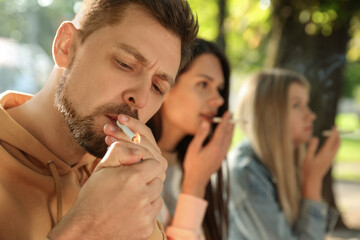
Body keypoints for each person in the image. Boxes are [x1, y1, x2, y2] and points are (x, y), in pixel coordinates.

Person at [0, 0, 198, 239]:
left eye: (157, 87)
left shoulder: (125, 182)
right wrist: (86, 229)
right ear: (66, 46)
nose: (141, 98)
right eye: (125, 64)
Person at [106, 38, 234, 239]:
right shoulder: (123, 157)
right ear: (164, 85)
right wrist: (194, 185)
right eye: (203, 84)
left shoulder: (201, 166)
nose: (218, 100)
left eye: (219, 89)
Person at [228, 69, 340, 240]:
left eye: (306, 104)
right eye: (297, 105)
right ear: (268, 114)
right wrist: (313, 182)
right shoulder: (245, 174)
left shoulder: (282, 164)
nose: (311, 115)